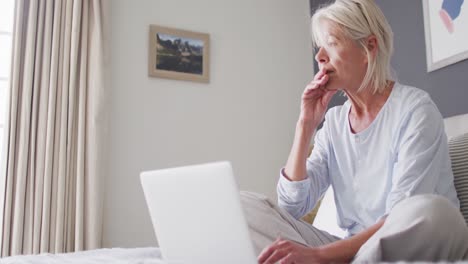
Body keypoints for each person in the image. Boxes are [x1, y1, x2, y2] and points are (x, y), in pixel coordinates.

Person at [256, 0, 468, 263]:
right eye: (319, 47)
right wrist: (305, 125)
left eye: (331, 43)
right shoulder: (333, 123)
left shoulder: (416, 110)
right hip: (353, 249)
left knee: (432, 211)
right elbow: (291, 207)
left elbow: (401, 218)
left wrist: (318, 256)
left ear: (369, 47)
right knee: (251, 206)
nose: (319, 56)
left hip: (406, 238)